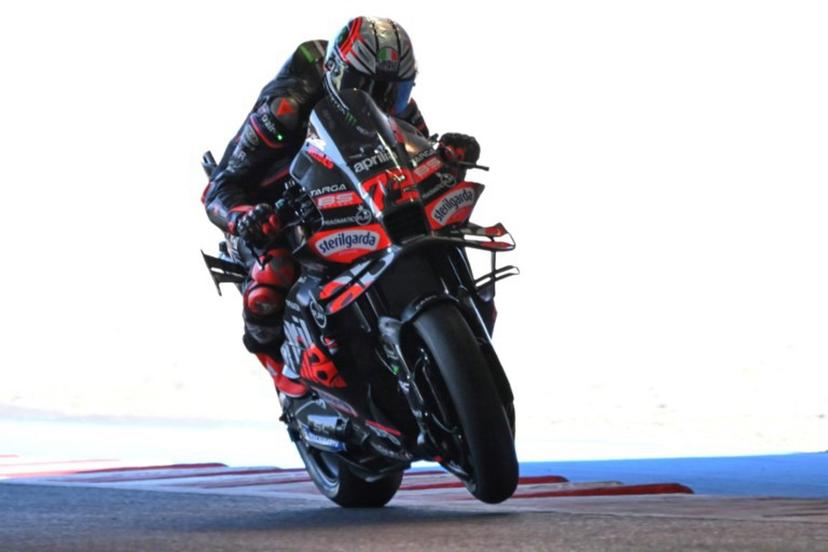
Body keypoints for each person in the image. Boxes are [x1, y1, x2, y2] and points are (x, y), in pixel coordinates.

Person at [202, 16, 480, 398]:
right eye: (364, 88)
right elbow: (219, 188)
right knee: (274, 271)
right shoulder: (286, 106)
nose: (380, 102)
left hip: (352, 193)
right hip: (275, 205)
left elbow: (417, 149)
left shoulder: (398, 106)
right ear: (336, 74)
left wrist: (448, 155)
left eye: (393, 93)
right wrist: (244, 218)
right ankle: (279, 366)